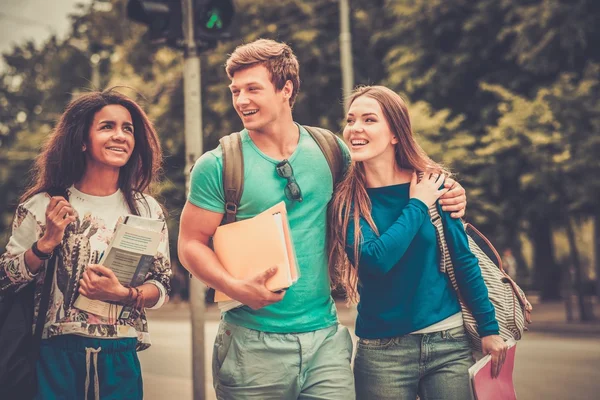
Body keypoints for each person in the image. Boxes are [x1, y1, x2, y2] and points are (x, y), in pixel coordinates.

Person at [178, 39, 467, 400]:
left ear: (287, 89)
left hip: (325, 341)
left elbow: (389, 176)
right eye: (235, 90)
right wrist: (235, 288)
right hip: (251, 345)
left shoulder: (332, 151)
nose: (241, 100)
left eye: (253, 89)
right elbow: (190, 244)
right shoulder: (219, 164)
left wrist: (446, 186)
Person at [328, 85, 507, 400]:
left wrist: (489, 329)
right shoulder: (347, 199)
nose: (355, 128)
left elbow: (464, 261)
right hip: (382, 353)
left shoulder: (434, 185)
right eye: (351, 119)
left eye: (369, 120)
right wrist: (418, 204)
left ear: (395, 133)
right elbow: (374, 261)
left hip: (448, 343)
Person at [0, 88, 171, 400]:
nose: (120, 136)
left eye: (127, 128)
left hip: (120, 352)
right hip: (53, 353)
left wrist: (124, 294)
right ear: (81, 140)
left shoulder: (147, 210)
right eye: (107, 126)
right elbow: (5, 279)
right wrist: (46, 243)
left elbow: (161, 287)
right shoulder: (43, 205)